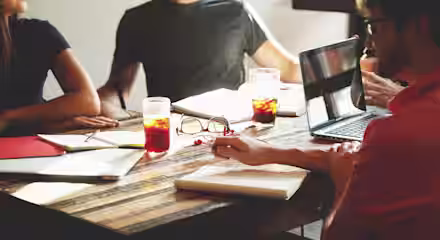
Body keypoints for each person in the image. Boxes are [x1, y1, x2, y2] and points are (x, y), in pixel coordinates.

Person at [213, 0, 440, 239]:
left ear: (419, 26)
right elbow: (364, 156)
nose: (370, 42)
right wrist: (273, 153)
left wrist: (344, 181)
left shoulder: (398, 134)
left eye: (375, 26)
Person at [97, 0, 300, 120]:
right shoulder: (136, 19)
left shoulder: (235, 11)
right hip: (171, 133)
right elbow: (116, 88)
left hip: (231, 130)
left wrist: (330, 68)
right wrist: (100, 105)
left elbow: (288, 69)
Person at [0, 0, 118, 136]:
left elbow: (88, 101)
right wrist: (52, 124)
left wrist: (9, 118)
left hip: (36, 146)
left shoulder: (38, 32)